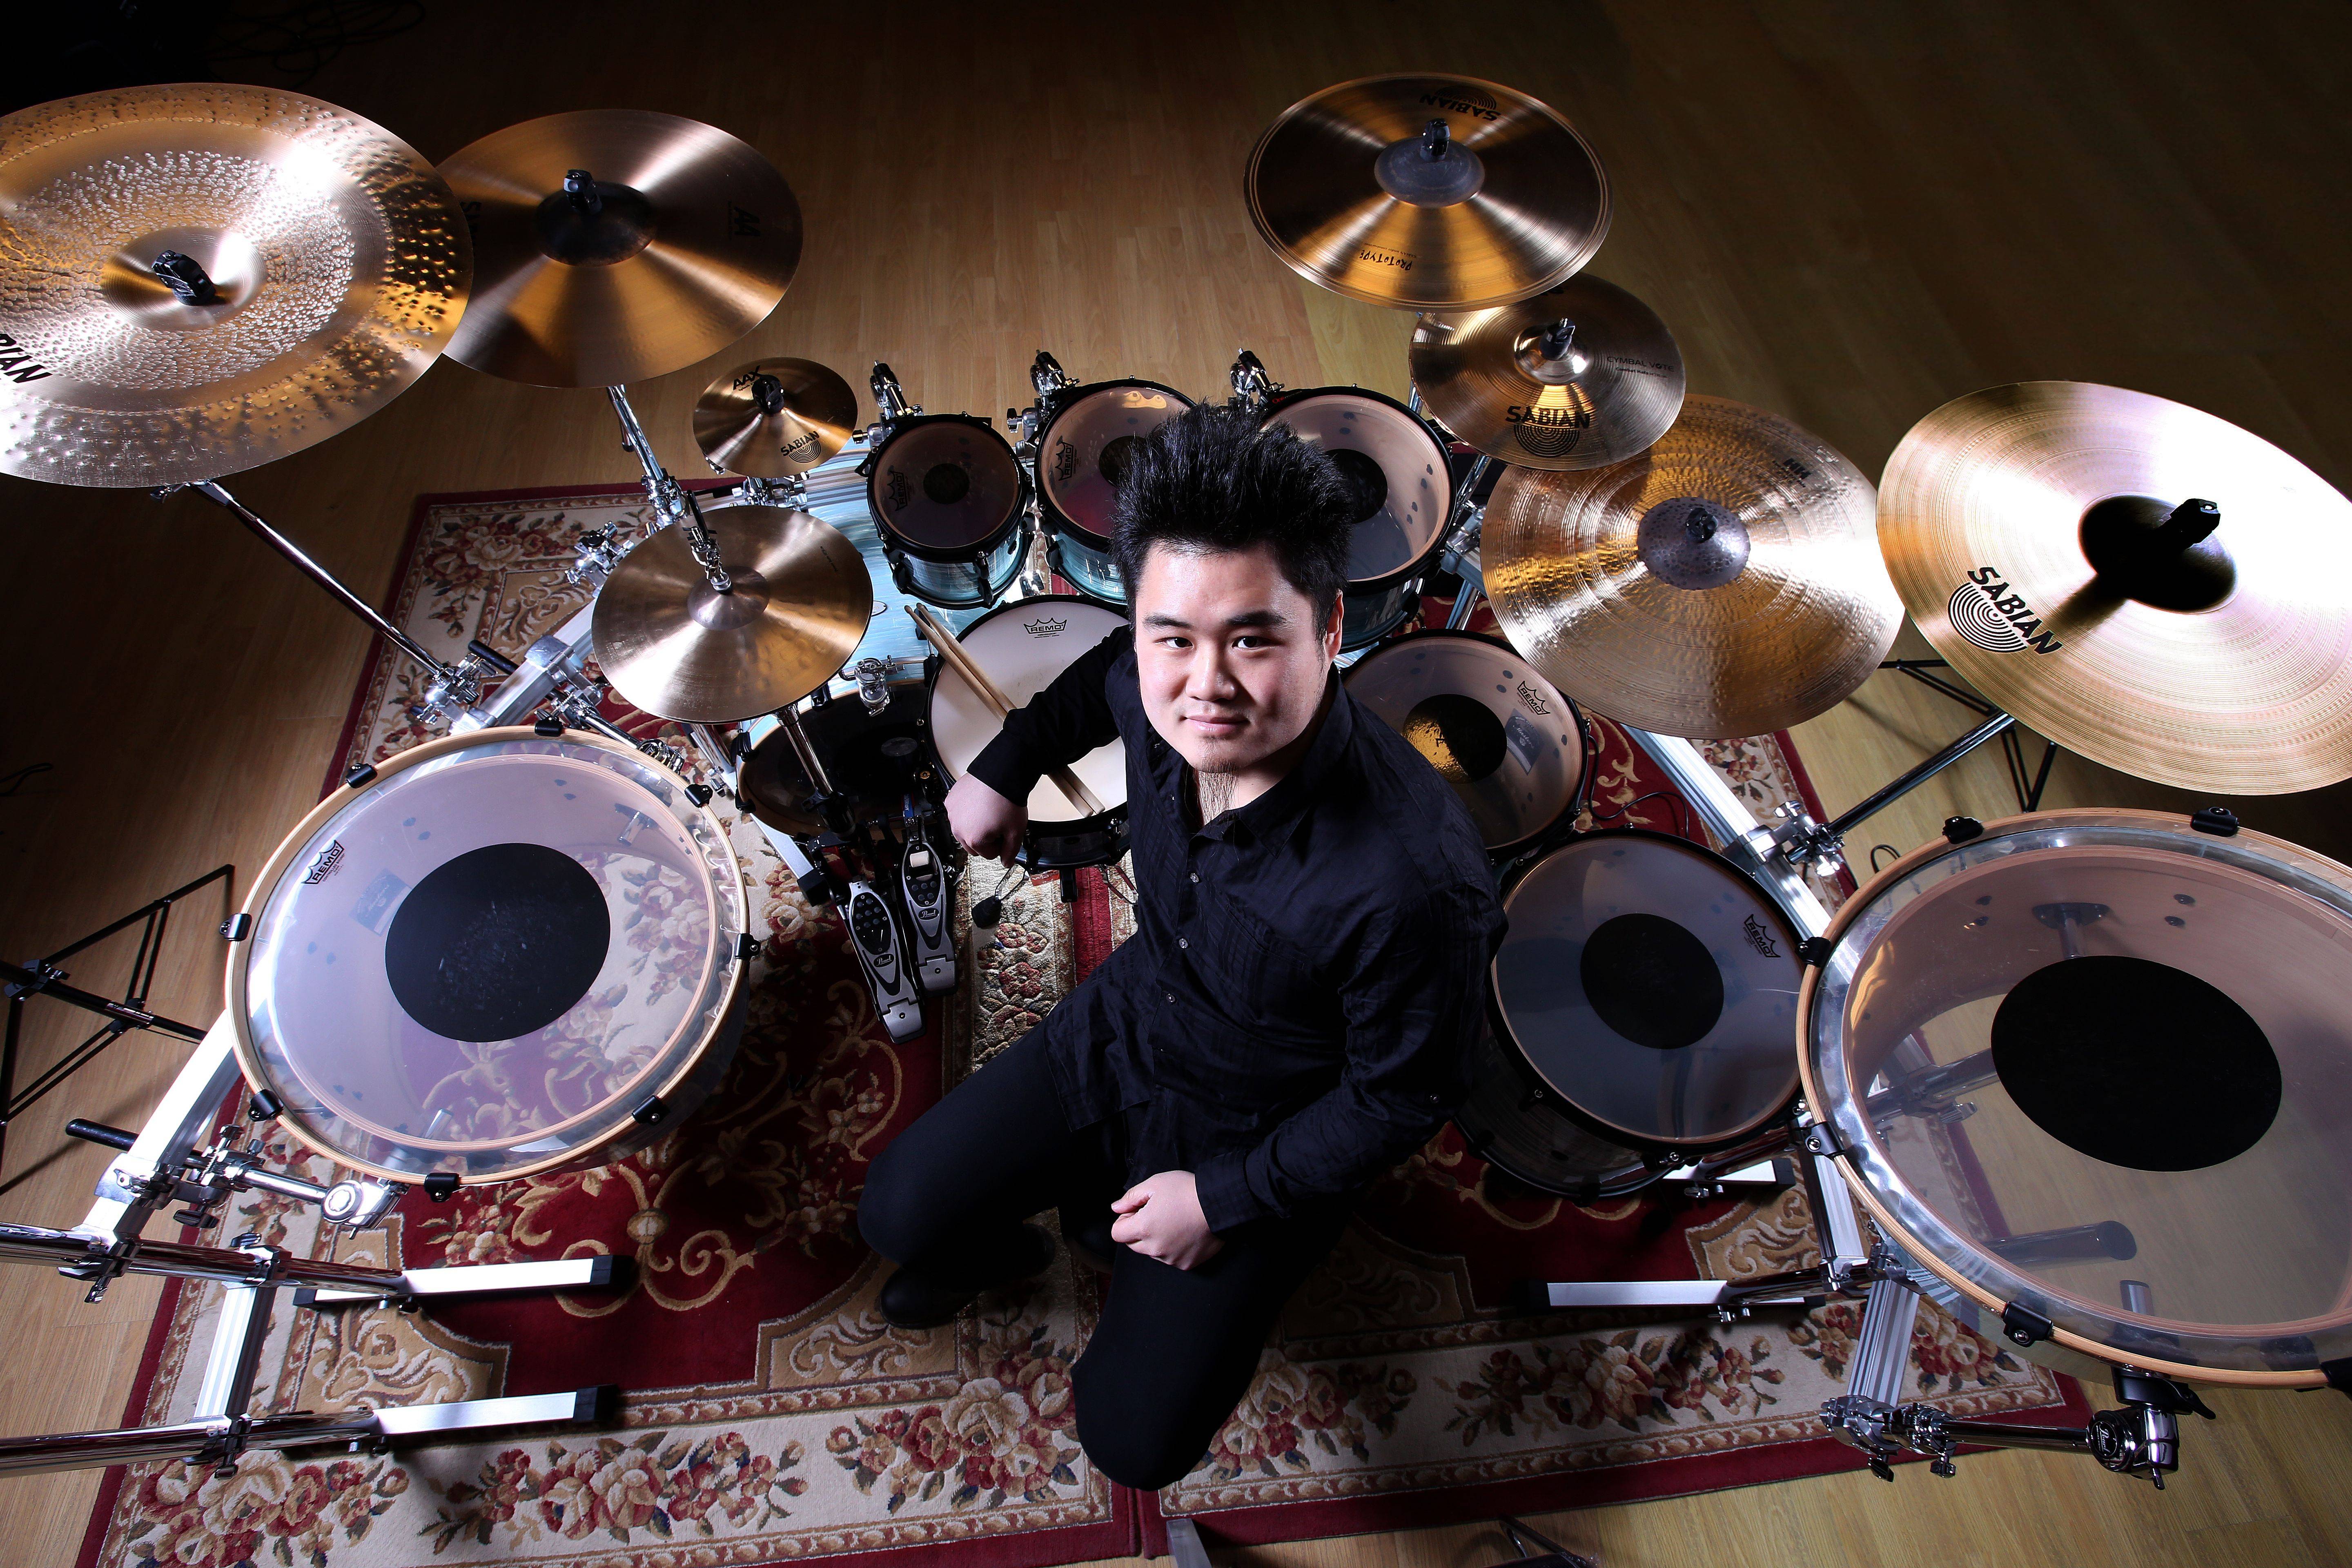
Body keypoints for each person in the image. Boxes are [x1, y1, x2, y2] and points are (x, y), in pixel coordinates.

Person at [856, 403, 1503, 1490]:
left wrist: (1225, 1199)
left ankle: (1154, 1244)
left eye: (1253, 639)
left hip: (1262, 1122)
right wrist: (1006, 765)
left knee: (1132, 1444)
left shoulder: (1415, 885)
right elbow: (1099, 677)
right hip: (1132, 1023)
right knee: (897, 1213)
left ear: (1330, 629)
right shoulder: (1152, 684)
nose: (1204, 686)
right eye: (1175, 638)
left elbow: (1402, 1098)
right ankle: (1018, 1242)